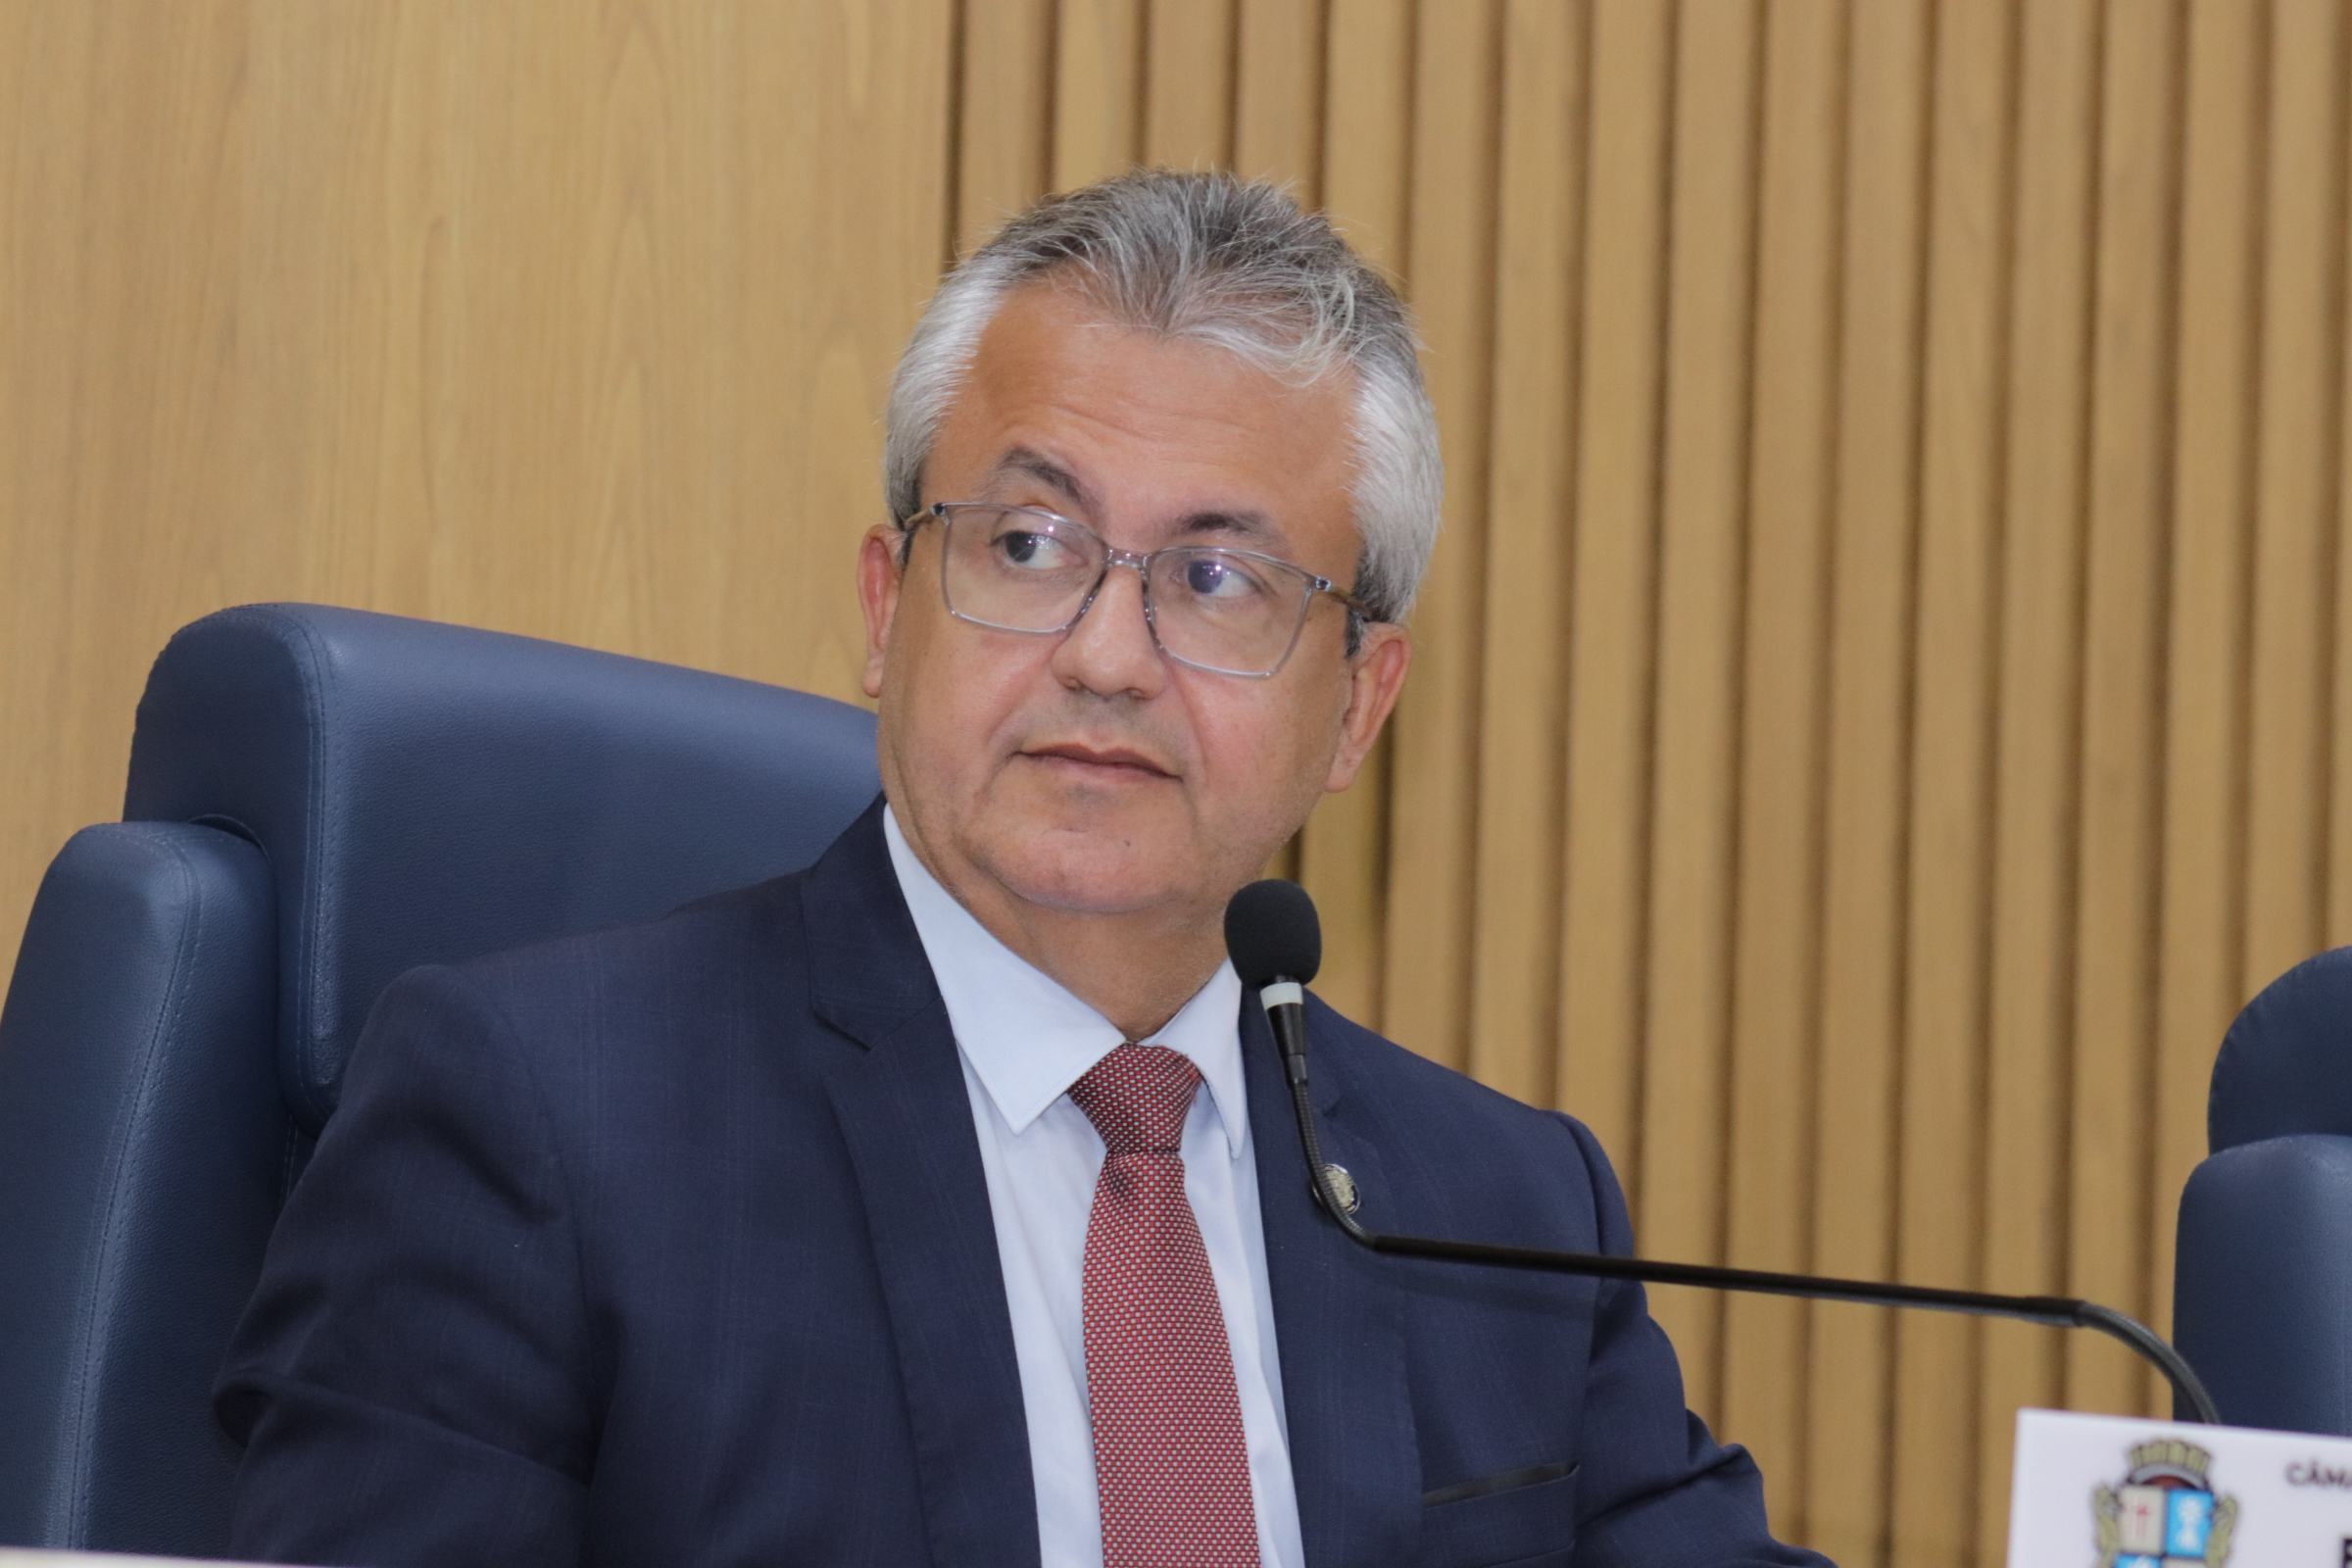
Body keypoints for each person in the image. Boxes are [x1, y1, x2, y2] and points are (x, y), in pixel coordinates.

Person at [216, 171, 1829, 1568]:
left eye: (1218, 578)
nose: (1107, 657)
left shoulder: (1504, 1211)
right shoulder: (541, 1123)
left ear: (1357, 706)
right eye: (1028, 545)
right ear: (885, 609)